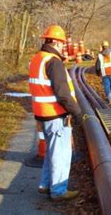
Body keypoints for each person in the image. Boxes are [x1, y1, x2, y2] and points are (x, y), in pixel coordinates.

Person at [28, 24, 82, 202]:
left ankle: (45, 185)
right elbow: (63, 94)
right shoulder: (53, 61)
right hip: (54, 115)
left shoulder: (38, 58)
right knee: (60, 153)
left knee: (51, 152)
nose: (63, 47)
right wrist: (78, 113)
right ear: (58, 43)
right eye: (62, 43)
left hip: (42, 114)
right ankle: (58, 190)